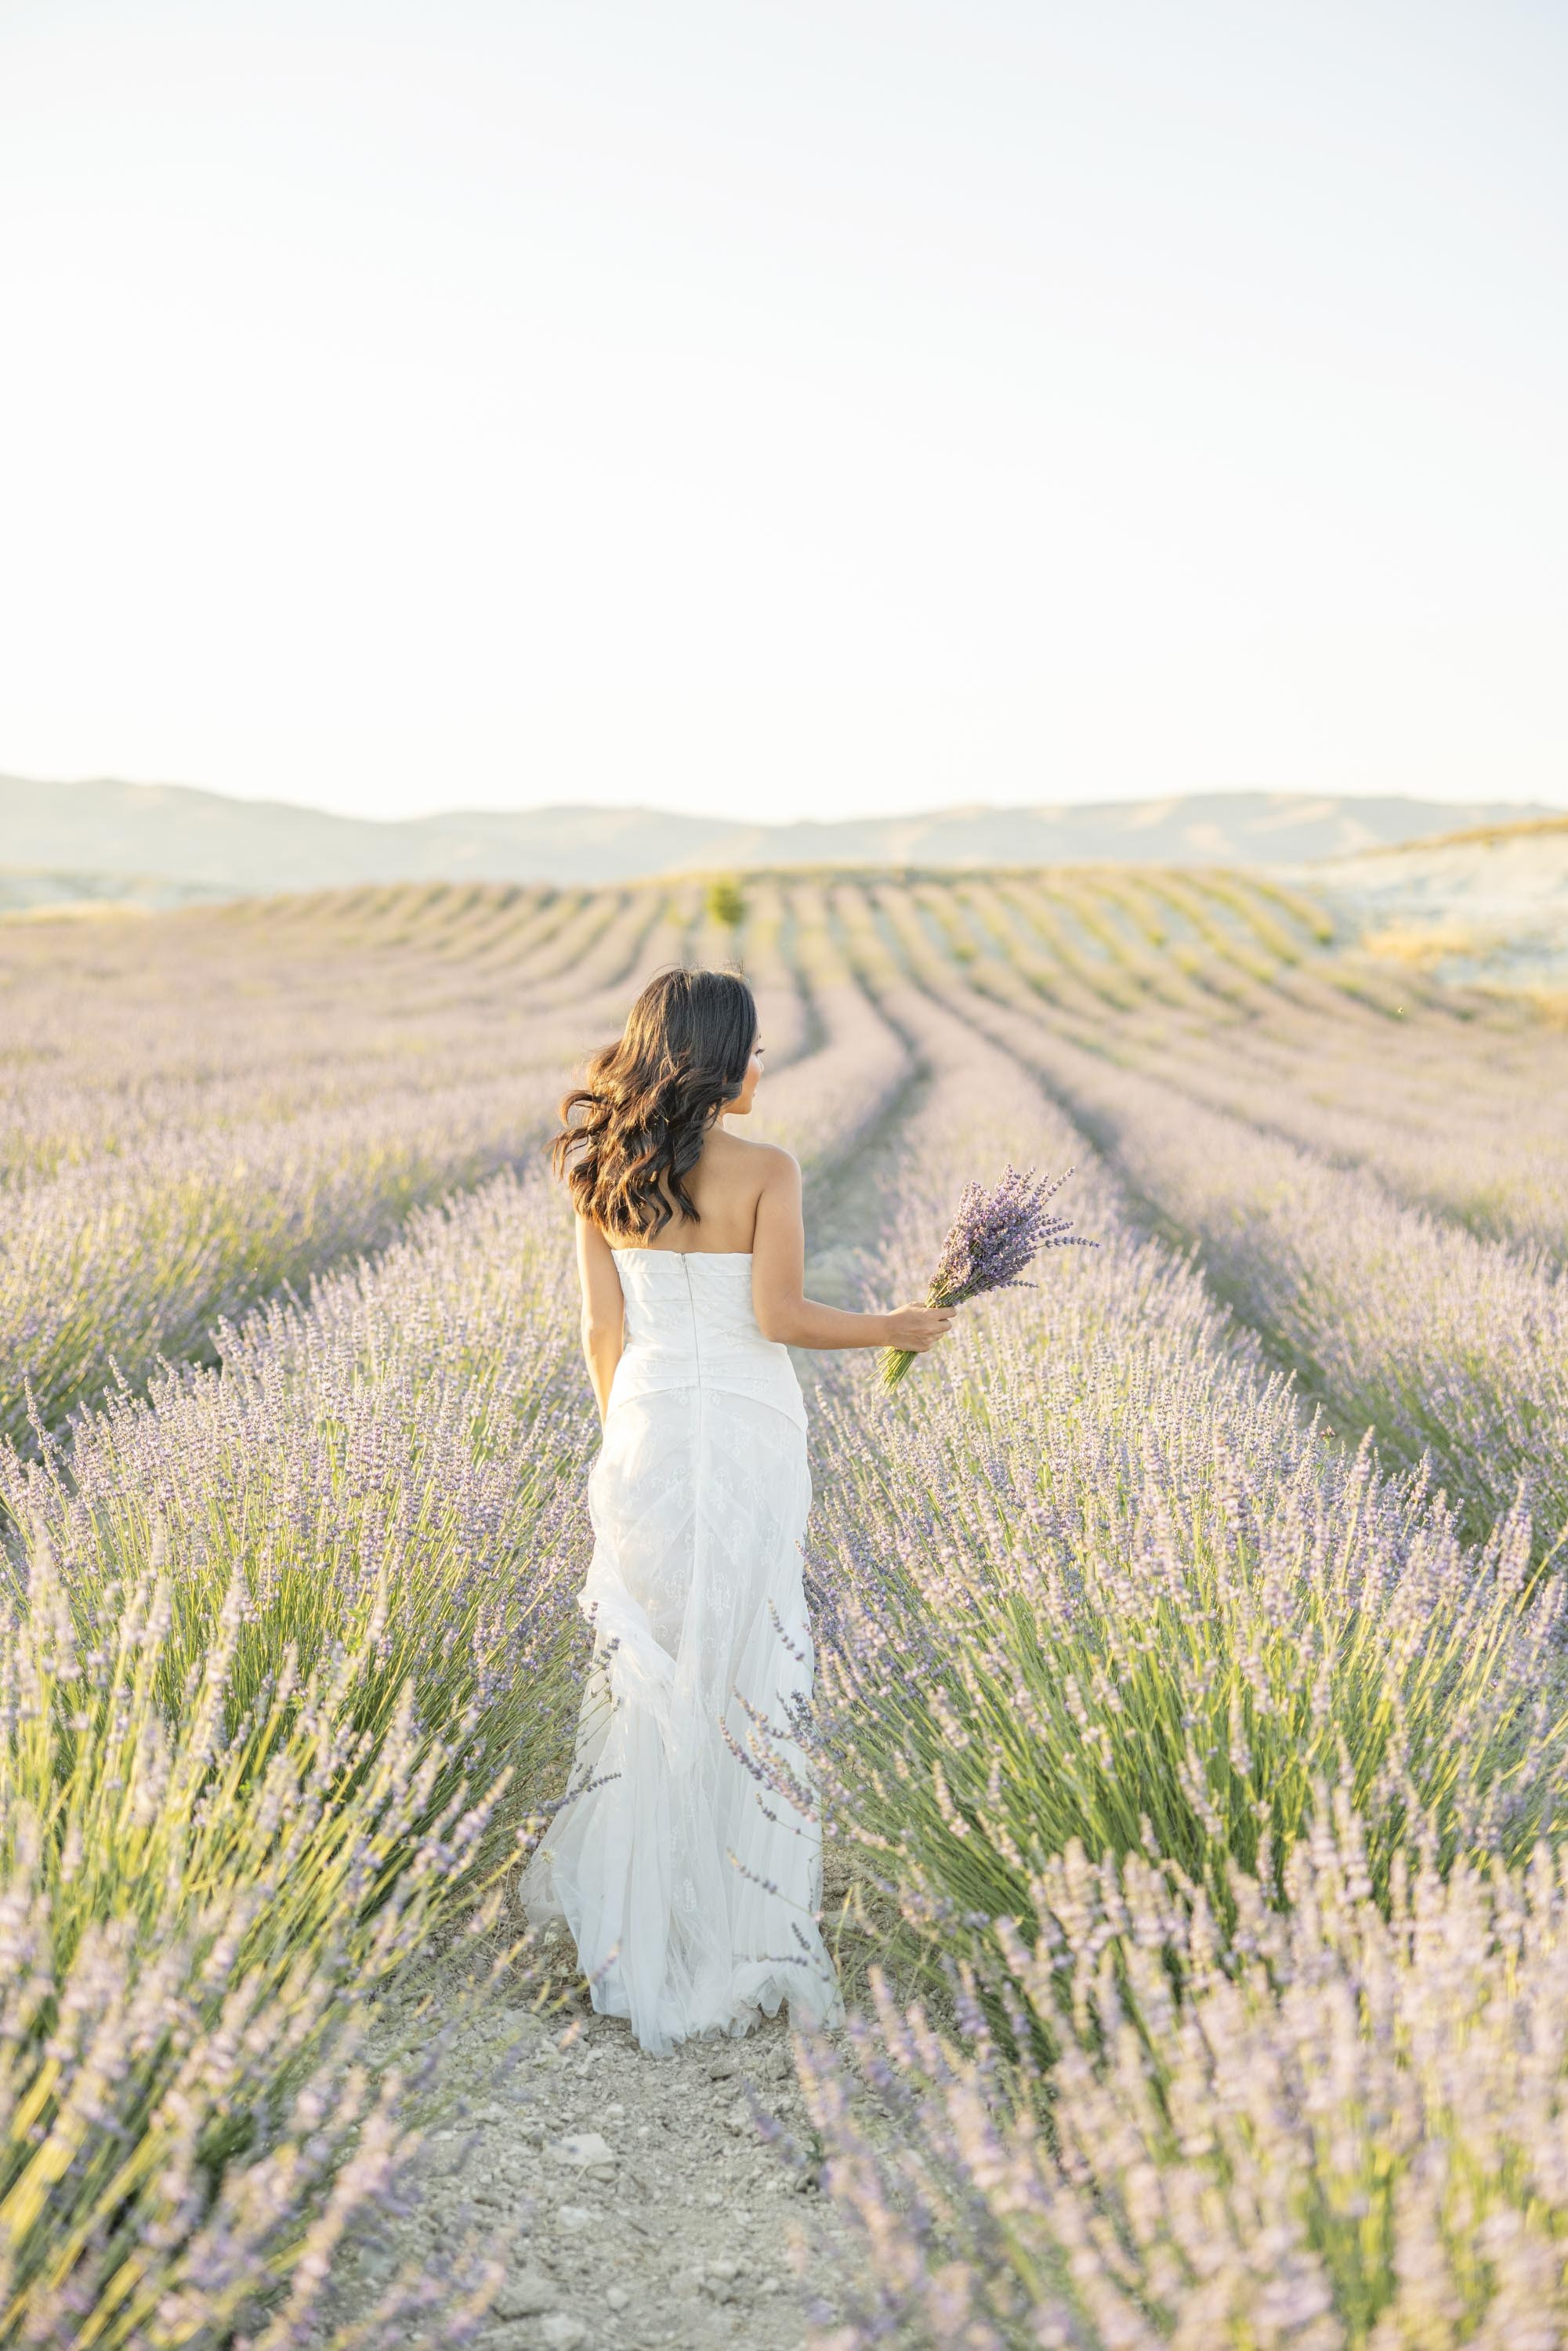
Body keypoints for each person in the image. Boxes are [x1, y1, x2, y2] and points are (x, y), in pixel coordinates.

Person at [518, 966, 954, 2055]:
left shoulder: (596, 1168)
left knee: (653, 1660)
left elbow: (598, 1335)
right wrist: (896, 1329)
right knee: (745, 1662)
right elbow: (782, 1317)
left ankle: (638, 1932)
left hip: (649, 1428)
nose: (763, 1067)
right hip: (750, 1432)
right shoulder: (766, 1167)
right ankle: (731, 1929)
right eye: (752, 1049)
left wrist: (625, 1436)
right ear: (715, 1057)